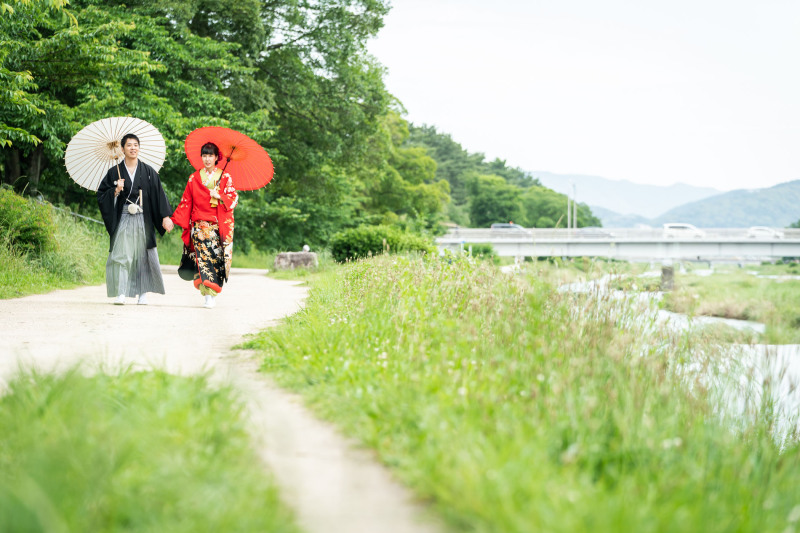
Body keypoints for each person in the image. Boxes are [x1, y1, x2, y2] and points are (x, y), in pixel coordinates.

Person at [96, 133, 174, 305]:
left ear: (139, 148)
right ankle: (121, 293)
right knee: (122, 255)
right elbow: (102, 195)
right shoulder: (114, 172)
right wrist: (115, 190)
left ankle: (142, 293)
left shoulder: (148, 172)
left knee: (142, 256)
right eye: (129, 145)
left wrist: (166, 216)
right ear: (122, 149)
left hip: (142, 219)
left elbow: (158, 195)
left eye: (136, 145)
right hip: (124, 217)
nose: (133, 148)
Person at [170, 142, 238, 309]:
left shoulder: (225, 177)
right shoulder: (194, 178)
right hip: (199, 226)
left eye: (210, 156)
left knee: (215, 261)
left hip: (216, 227)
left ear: (216, 158)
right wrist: (173, 219)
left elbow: (234, 198)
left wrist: (220, 195)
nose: (207, 159)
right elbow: (186, 201)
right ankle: (207, 295)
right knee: (202, 261)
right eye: (205, 155)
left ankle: (212, 294)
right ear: (202, 157)